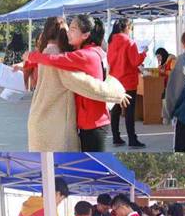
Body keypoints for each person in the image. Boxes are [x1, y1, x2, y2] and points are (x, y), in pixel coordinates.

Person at [26, 17, 128, 152]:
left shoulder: (47, 53)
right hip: (56, 128)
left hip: (40, 121)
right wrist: (118, 93)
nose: (69, 34)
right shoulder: (61, 59)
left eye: (72, 30)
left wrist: (30, 57)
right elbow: (89, 86)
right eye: (69, 30)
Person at [107, 18, 147, 148]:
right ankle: (132, 139)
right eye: (131, 28)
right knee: (129, 112)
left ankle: (116, 137)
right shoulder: (129, 42)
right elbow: (135, 62)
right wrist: (143, 54)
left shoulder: (111, 42)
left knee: (115, 111)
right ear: (126, 28)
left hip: (114, 80)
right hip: (128, 81)